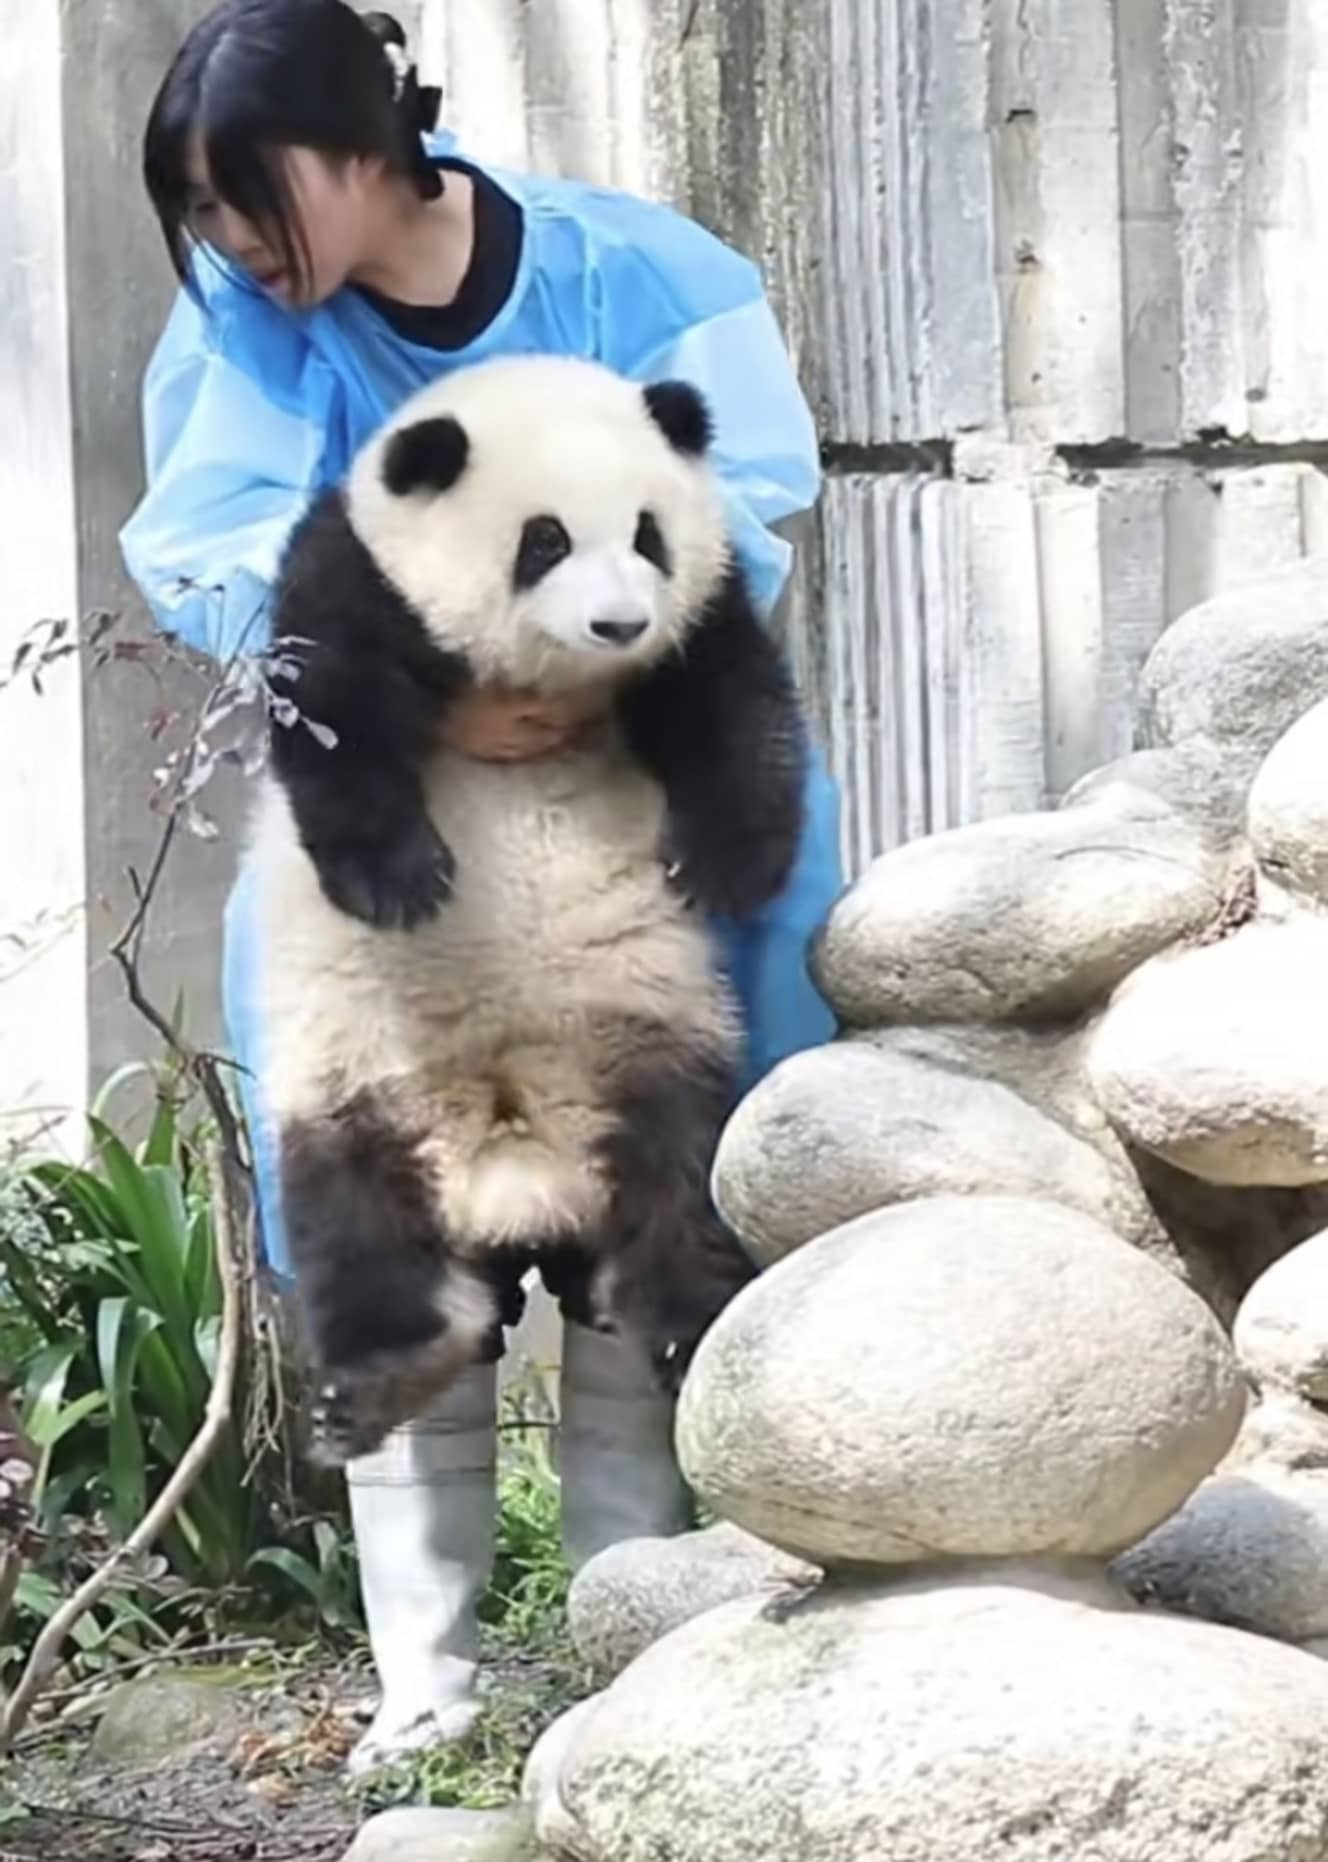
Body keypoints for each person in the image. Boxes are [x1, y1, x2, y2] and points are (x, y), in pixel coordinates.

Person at [121, 0, 841, 1773]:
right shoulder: (251, 320)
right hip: (404, 828)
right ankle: (426, 1691)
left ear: (365, 152)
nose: (222, 246)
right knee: (384, 1206)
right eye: (199, 214)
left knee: (648, 1211)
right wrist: (436, 678)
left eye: (242, 199)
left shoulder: (641, 272)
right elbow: (206, 539)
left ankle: (630, 1651)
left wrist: (570, 656)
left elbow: (746, 499)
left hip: (627, 825)